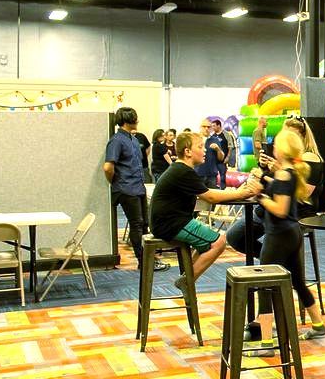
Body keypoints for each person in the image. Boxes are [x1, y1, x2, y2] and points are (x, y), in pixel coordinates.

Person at [247, 129, 325, 354]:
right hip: (292, 234)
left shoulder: (284, 174)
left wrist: (260, 196)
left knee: (264, 286)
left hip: (279, 235)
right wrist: (264, 179)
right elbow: (281, 188)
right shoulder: (290, 172)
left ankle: (265, 342)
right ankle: (318, 325)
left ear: (282, 150)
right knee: (298, 282)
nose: (273, 148)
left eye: (276, 145)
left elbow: (280, 209)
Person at [149, 131, 261, 291]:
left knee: (208, 243)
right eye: (200, 146)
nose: (205, 150)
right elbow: (211, 197)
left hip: (168, 222)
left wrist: (236, 192)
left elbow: (207, 194)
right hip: (170, 224)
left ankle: (187, 276)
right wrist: (241, 193)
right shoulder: (183, 171)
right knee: (219, 242)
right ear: (187, 151)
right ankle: (187, 281)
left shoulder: (181, 169)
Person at [103, 107, 167, 271]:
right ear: (127, 121)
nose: (137, 121)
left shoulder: (132, 139)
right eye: (135, 119)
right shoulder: (117, 140)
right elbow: (108, 167)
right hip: (126, 188)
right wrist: (116, 183)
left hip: (138, 187)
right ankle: (144, 262)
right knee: (137, 224)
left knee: (144, 224)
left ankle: (148, 259)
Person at [197, 119, 224, 189]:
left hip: (211, 175)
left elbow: (221, 158)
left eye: (208, 127)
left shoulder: (215, 140)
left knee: (212, 197)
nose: (206, 129)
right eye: (204, 126)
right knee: (196, 198)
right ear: (200, 127)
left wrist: (218, 149)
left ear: (211, 128)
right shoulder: (194, 140)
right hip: (197, 174)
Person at [211, 119, 229, 188]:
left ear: (219, 126)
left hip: (222, 160)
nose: (212, 128)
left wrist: (228, 157)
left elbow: (230, 147)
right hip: (214, 160)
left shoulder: (226, 134)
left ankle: (223, 190)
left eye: (214, 126)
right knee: (213, 177)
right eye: (212, 126)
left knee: (222, 176)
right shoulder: (212, 136)